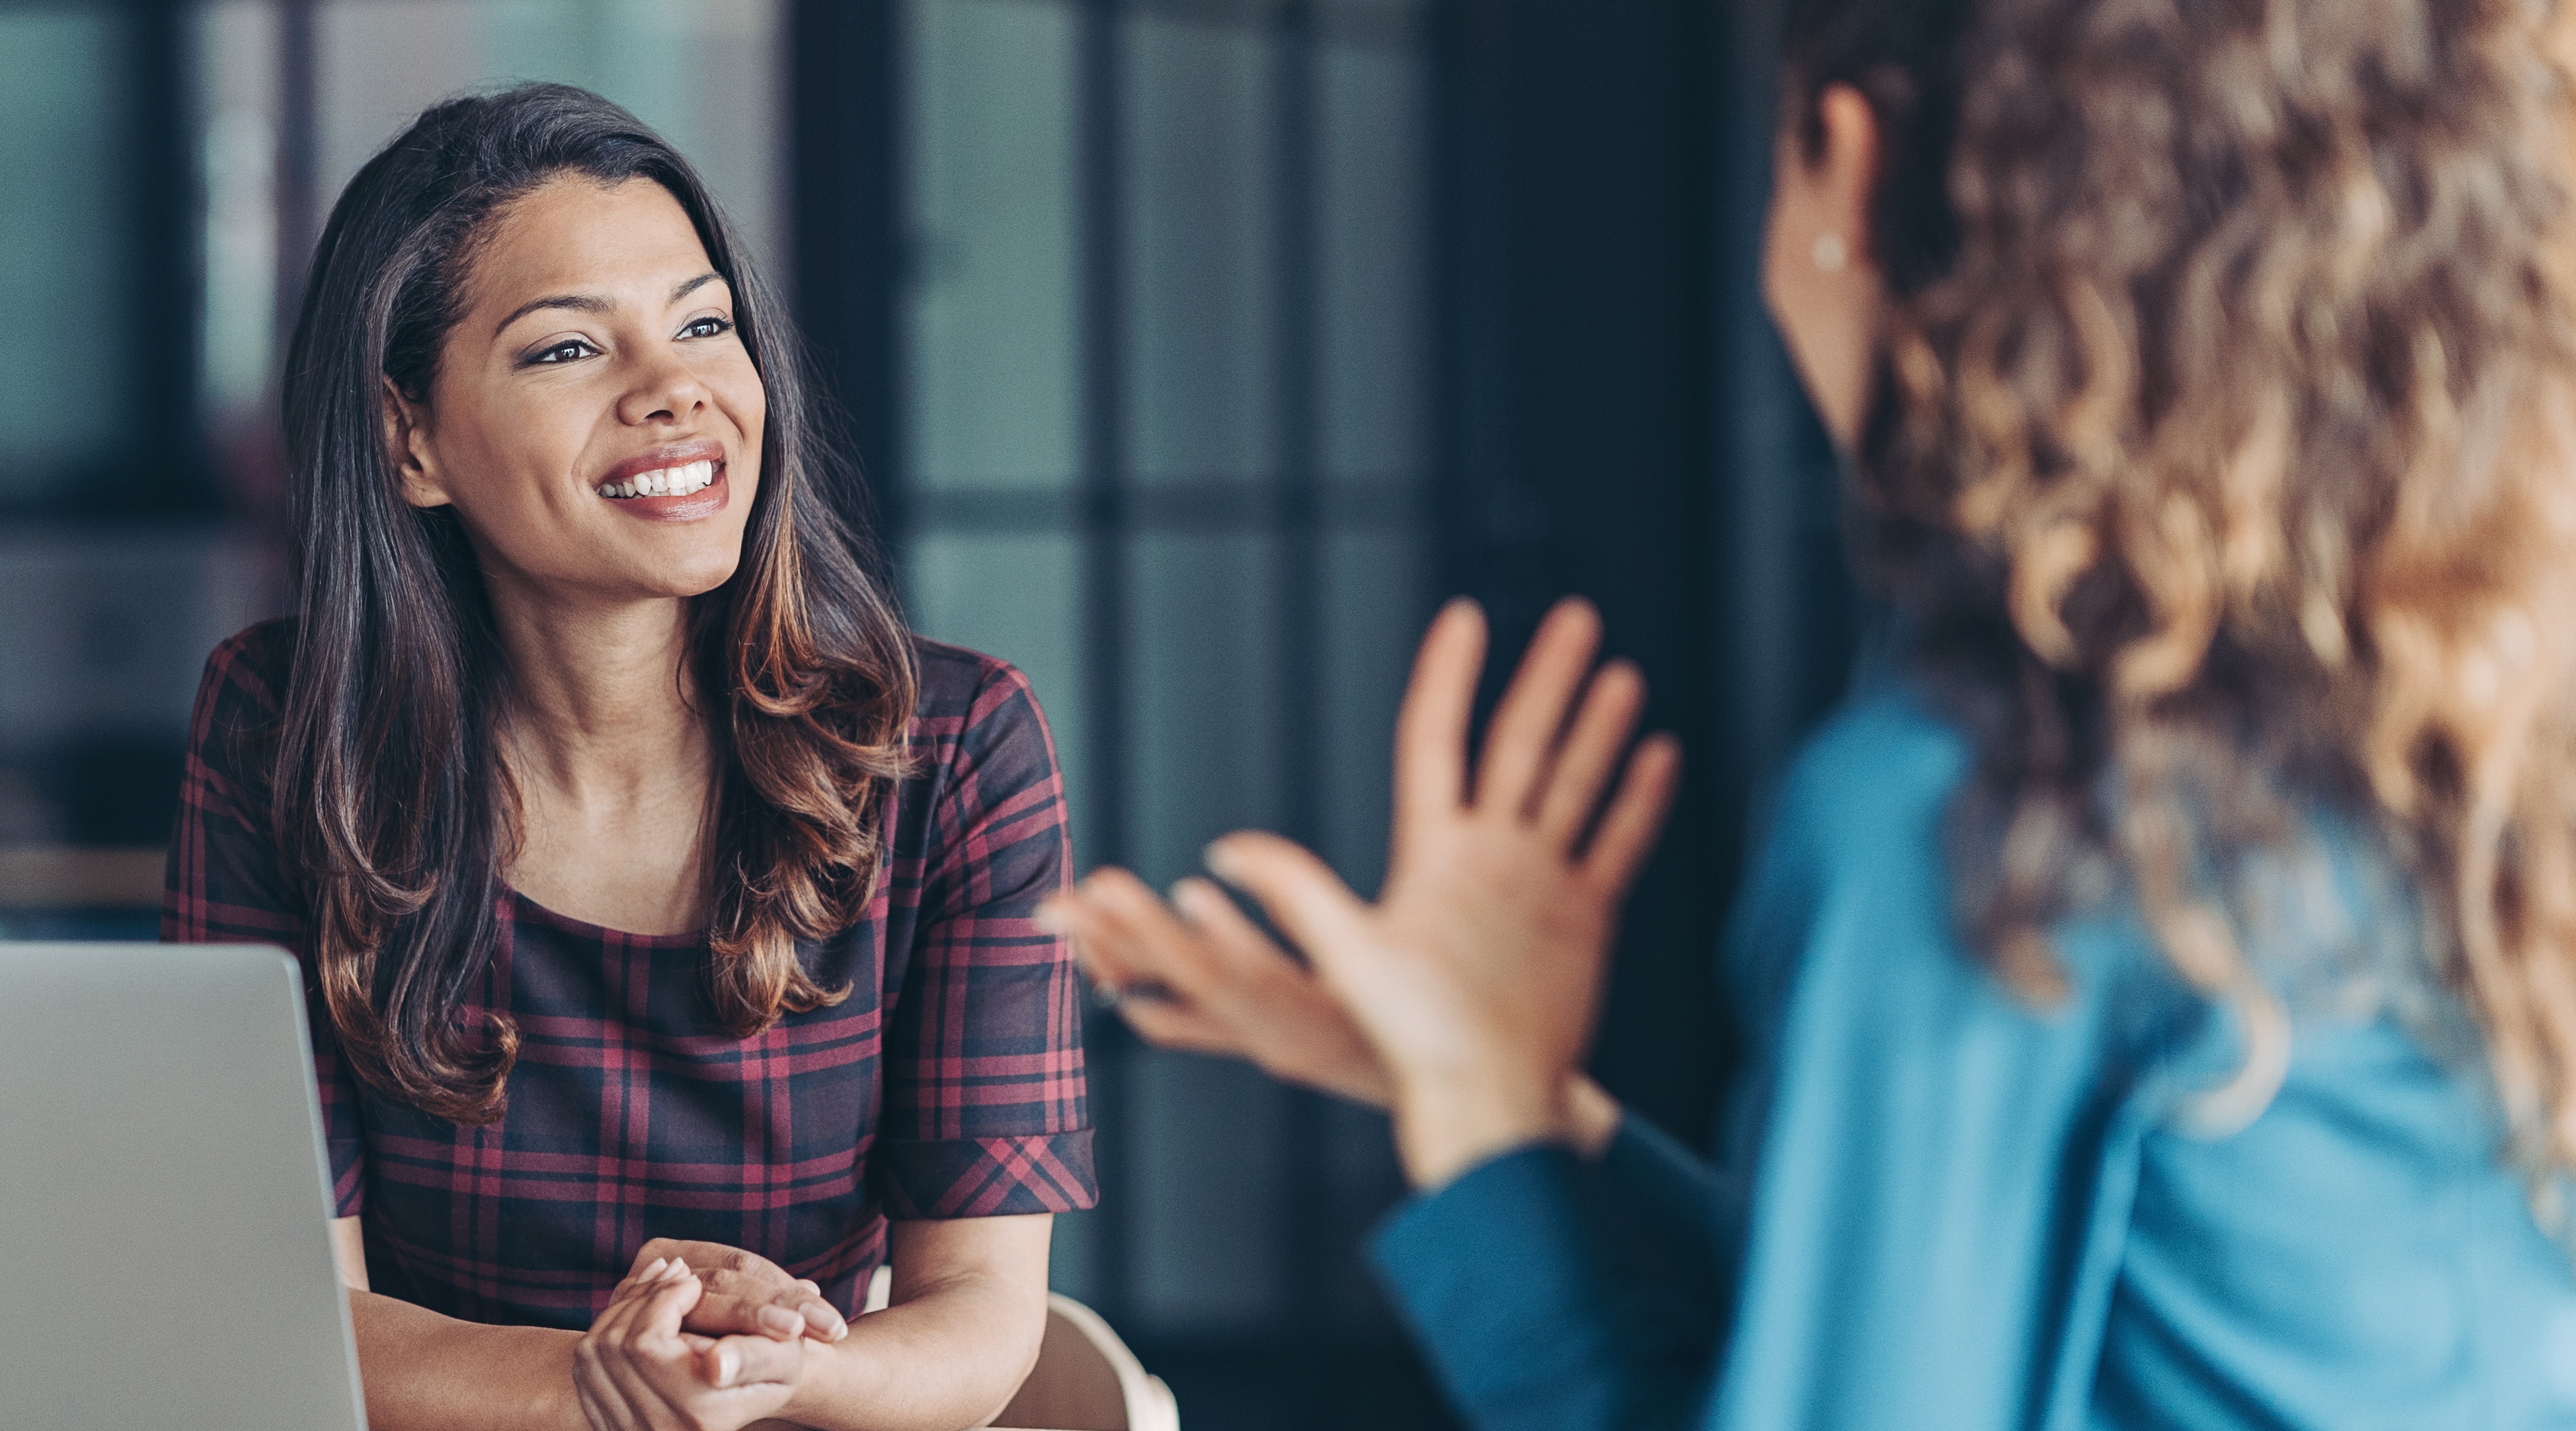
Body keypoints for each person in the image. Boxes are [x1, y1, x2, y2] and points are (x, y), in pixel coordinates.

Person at [1049, 0, 2576, 1427]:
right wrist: (1508, 1108)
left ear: (1844, 165)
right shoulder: (2467, 722)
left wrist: (1490, 1143)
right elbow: (2022, 1324)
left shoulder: (1995, 806)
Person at [165, 85, 1094, 1431]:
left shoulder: (950, 749)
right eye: (566, 352)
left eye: (705, 324)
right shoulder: (277, 731)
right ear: (410, 437)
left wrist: (781, 1371)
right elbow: (279, 1302)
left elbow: (985, 1308)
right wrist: (593, 1383)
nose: (678, 392)